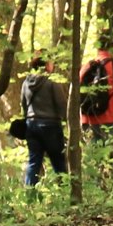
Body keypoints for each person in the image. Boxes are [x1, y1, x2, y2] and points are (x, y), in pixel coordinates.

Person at [77, 36, 113, 172]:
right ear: (112, 48)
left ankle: (94, 186)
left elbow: (78, 92)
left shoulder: (86, 67)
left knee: (93, 159)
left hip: (89, 118)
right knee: (111, 158)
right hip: (111, 118)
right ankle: (108, 187)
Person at [20, 54, 68, 186]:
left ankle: (29, 194)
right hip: (51, 125)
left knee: (34, 162)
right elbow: (62, 103)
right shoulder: (51, 81)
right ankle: (64, 191)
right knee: (58, 162)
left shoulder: (26, 83)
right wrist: (65, 121)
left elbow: (23, 105)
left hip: (31, 125)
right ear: (46, 65)